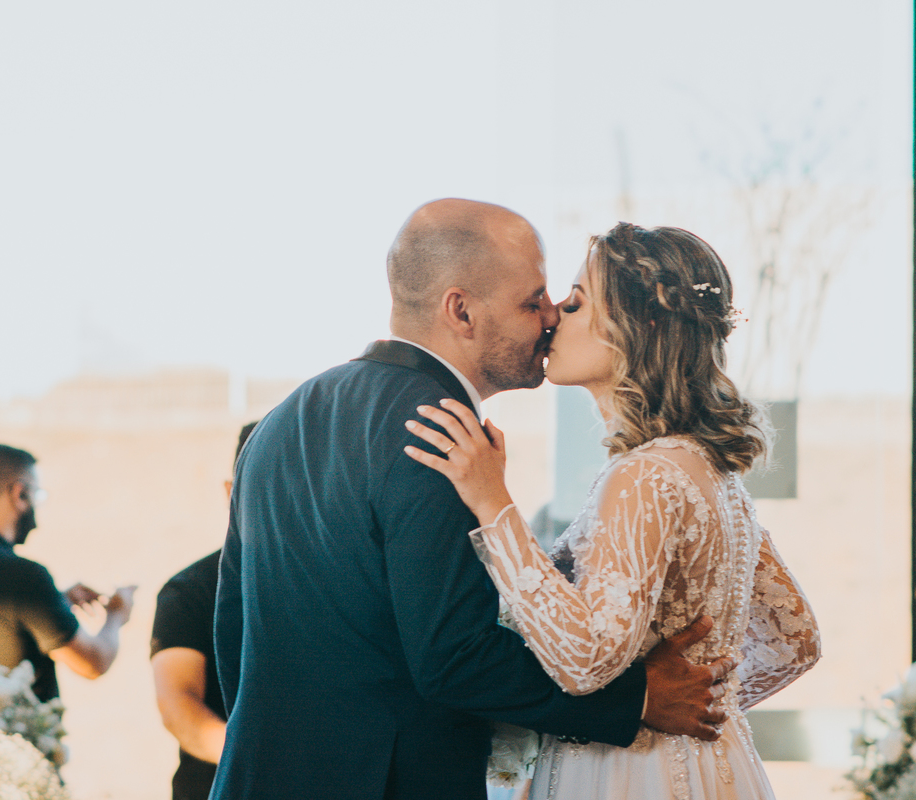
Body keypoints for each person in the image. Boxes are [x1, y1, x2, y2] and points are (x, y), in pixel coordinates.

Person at [211, 200, 736, 800]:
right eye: (532, 300)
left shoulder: (281, 420)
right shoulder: (443, 436)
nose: (550, 317)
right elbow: (454, 658)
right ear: (460, 310)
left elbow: (234, 633)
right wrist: (637, 700)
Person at [406, 222, 821, 798]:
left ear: (638, 328)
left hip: (629, 775)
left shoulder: (646, 476)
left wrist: (491, 500)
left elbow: (585, 660)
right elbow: (796, 639)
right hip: (715, 769)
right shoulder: (709, 470)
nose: (552, 316)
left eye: (575, 304)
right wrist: (703, 703)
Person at [0, 444, 136, 703]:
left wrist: (56, 601)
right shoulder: (25, 577)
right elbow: (93, 662)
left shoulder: (25, 584)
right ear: (20, 494)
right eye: (37, 496)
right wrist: (117, 615)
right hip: (15, 741)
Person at [150, 421, 257, 800]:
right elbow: (179, 706)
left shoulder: (345, 577)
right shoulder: (191, 589)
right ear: (231, 492)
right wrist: (268, 764)